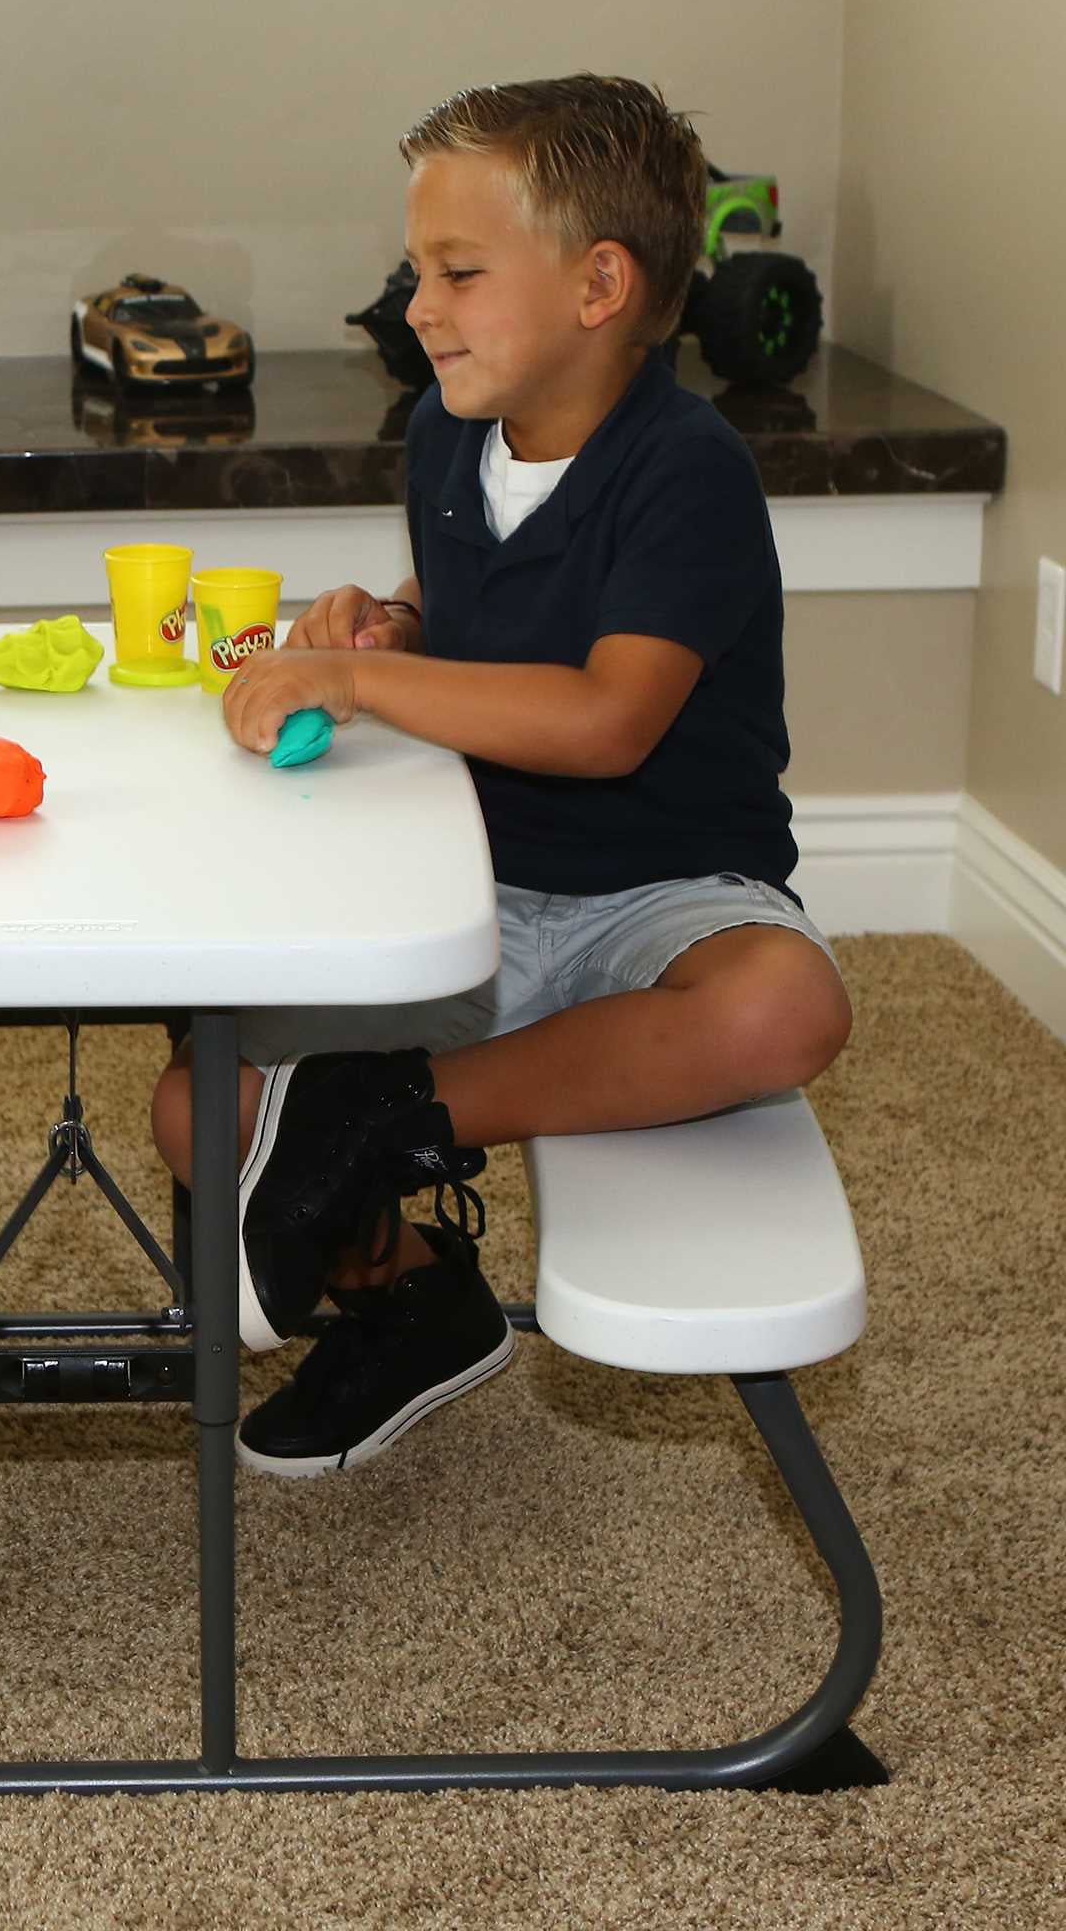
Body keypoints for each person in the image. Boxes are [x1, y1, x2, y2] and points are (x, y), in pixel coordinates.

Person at [150, 75, 852, 1480]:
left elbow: (606, 720)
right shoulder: (444, 437)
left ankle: (390, 1115)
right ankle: (408, 1294)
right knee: (194, 1102)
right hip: (472, 889)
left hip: (661, 900)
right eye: (419, 270)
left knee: (788, 1003)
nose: (417, 306)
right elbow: (472, 601)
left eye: (459, 272)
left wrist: (355, 681)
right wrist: (397, 626)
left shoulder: (687, 471)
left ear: (601, 283)